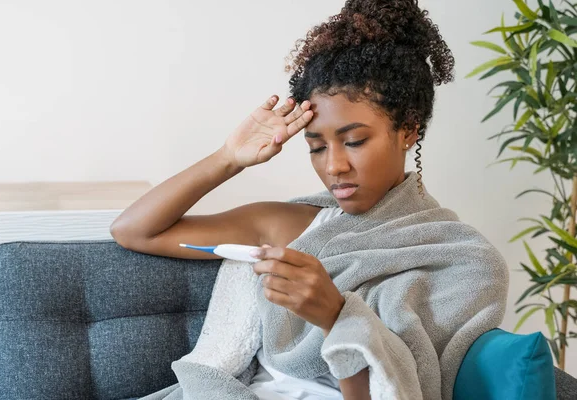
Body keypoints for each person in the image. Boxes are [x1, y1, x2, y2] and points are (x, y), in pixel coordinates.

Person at [111, 1, 506, 399]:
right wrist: (227, 158)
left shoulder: (465, 262)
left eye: (354, 141)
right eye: (316, 147)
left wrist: (336, 317)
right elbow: (133, 231)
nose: (334, 166)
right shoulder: (290, 224)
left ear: (408, 130)